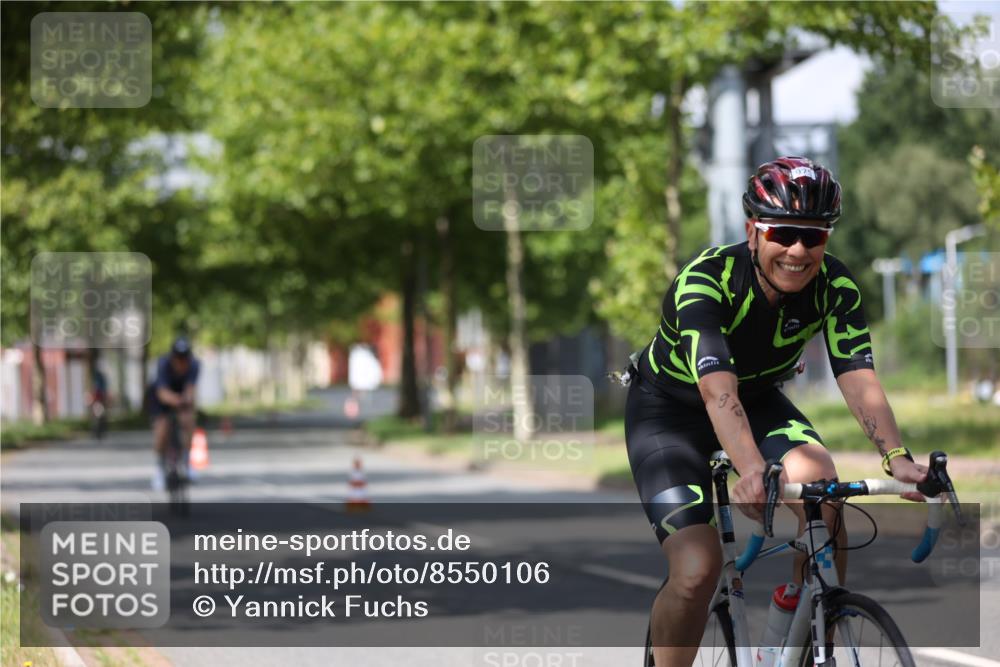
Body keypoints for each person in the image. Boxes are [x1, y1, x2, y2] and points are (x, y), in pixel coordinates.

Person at [623, 157, 928, 667]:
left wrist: (896, 456)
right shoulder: (706, 280)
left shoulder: (836, 286)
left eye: (814, 238)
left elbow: (858, 378)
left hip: (757, 399)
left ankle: (809, 628)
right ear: (753, 232)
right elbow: (719, 394)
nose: (797, 250)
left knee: (822, 486)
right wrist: (749, 470)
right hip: (669, 414)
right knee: (697, 568)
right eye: (783, 233)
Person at [149, 337, 200, 490]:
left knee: (189, 420)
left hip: (181, 395)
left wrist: (186, 400)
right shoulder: (163, 364)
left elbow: (191, 388)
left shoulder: (195, 365)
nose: (182, 363)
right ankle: (159, 469)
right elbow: (162, 392)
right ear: (172, 358)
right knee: (162, 428)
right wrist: (176, 400)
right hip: (162, 398)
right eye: (178, 359)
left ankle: (187, 459)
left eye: (185, 359)